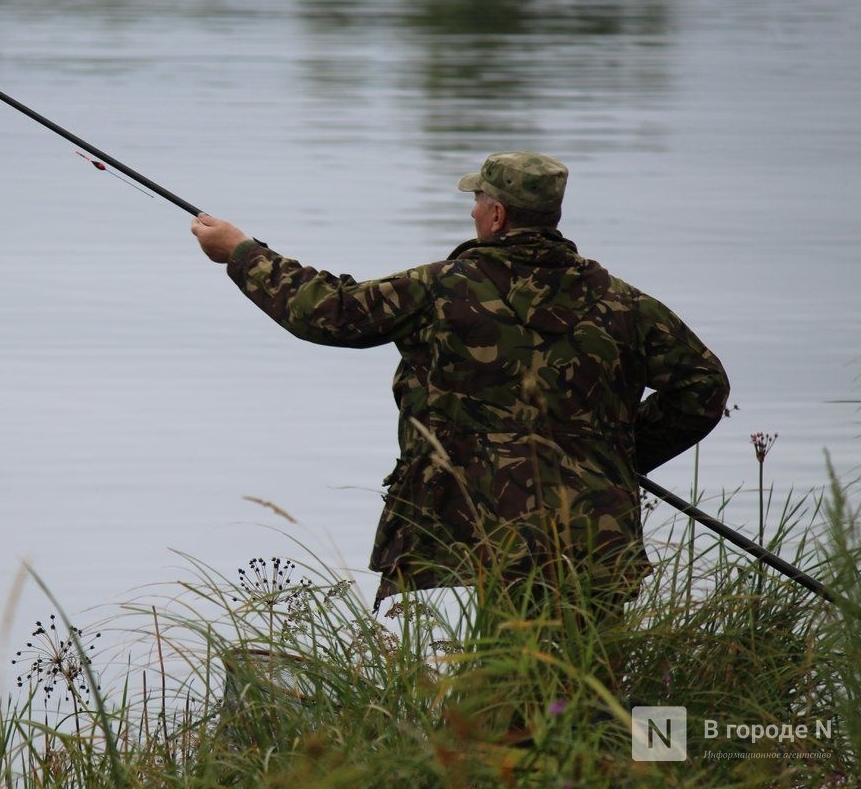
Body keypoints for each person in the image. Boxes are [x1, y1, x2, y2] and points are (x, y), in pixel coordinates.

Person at [190, 151, 729, 617]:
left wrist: (241, 252)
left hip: (479, 531)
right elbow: (704, 388)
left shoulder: (442, 289)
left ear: (497, 215)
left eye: (478, 201)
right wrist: (615, 456)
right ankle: (615, 739)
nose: (472, 211)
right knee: (587, 684)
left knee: (505, 689)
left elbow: (330, 313)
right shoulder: (625, 305)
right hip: (595, 531)